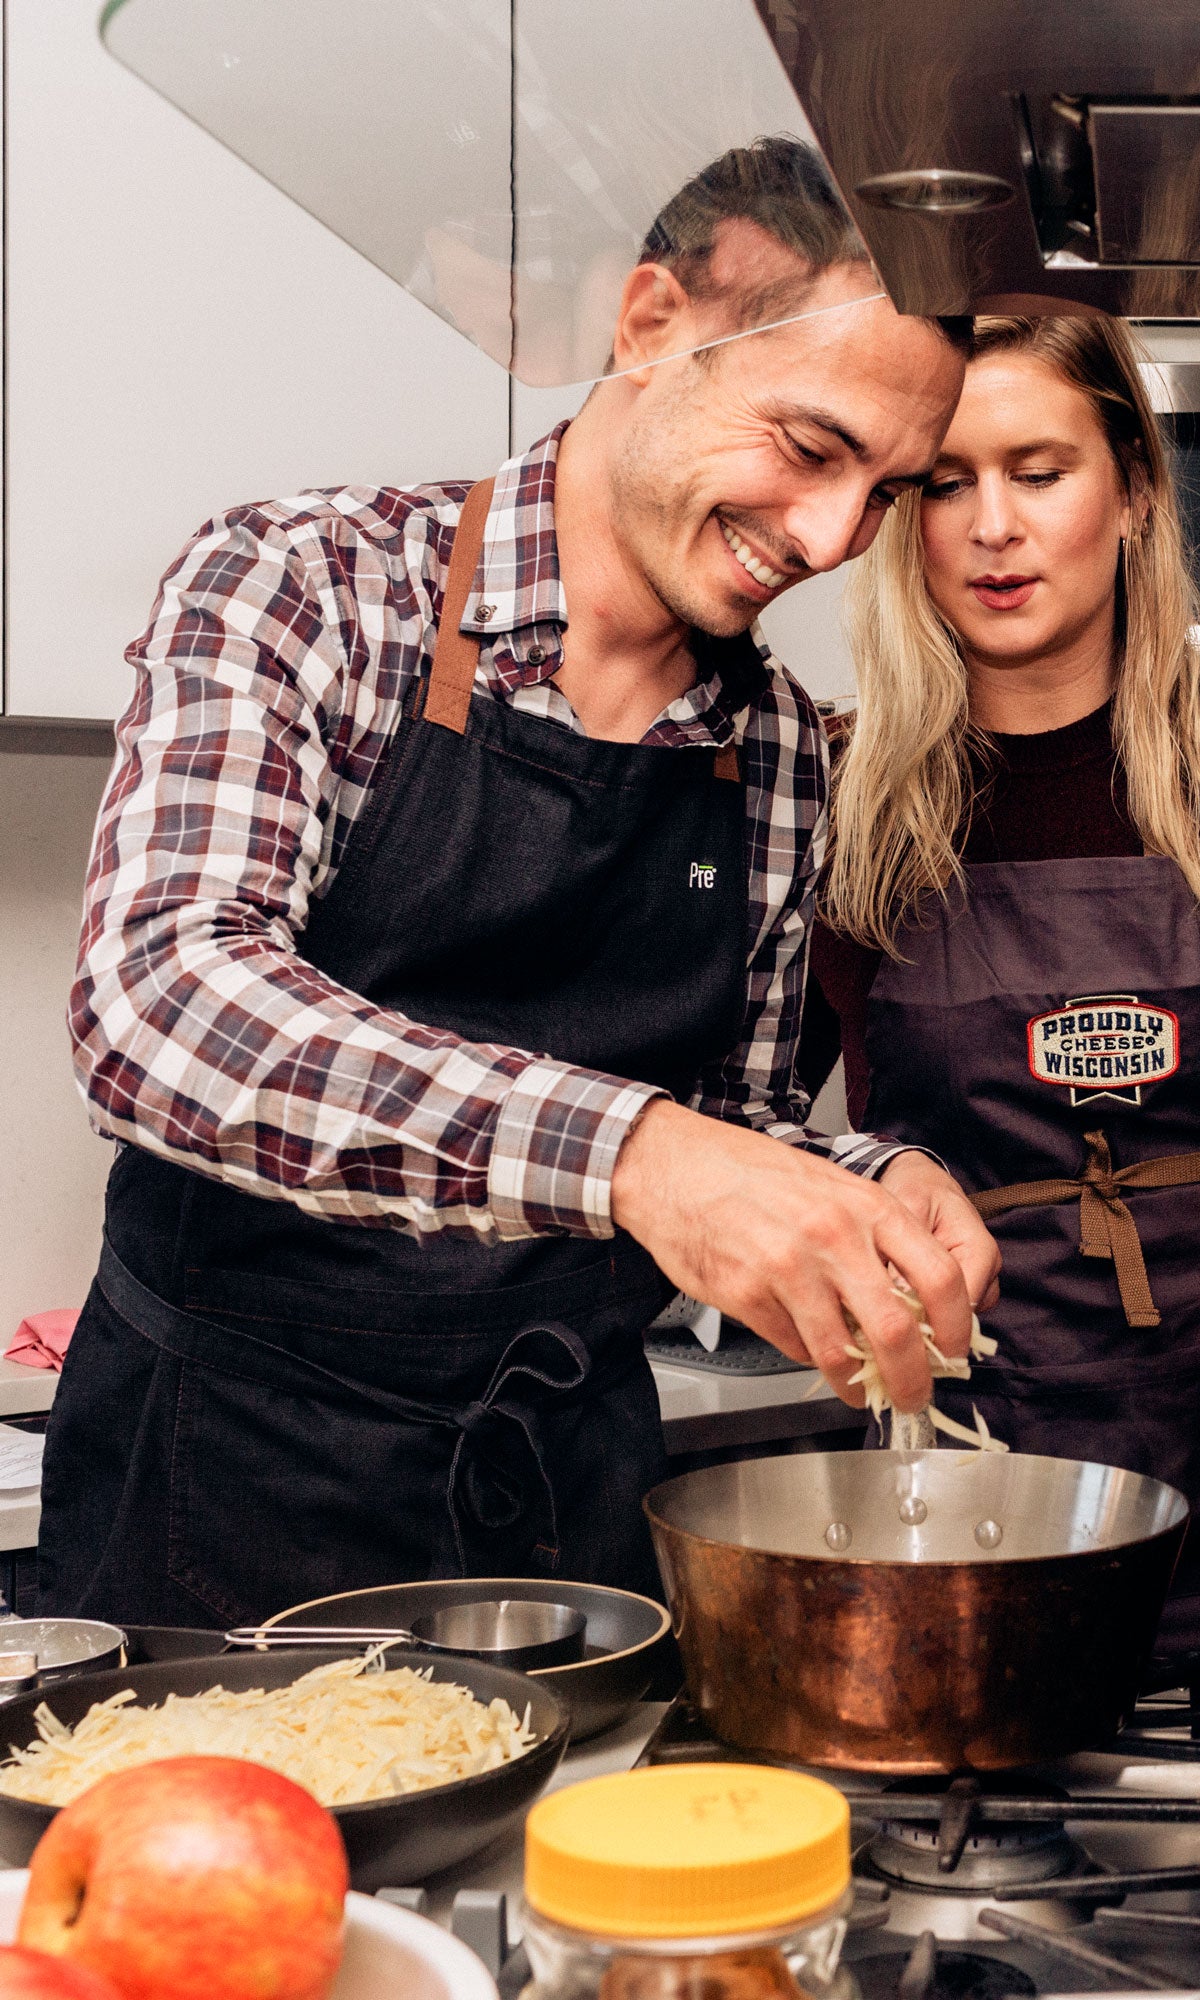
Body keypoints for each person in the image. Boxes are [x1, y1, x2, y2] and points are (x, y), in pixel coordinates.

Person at [44, 140, 1002, 1627]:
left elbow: (725, 1118)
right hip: (225, 1494)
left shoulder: (775, 754)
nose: (831, 542)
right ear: (649, 323)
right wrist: (637, 1158)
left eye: (887, 491)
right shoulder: (311, 588)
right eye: (812, 450)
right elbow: (159, 1003)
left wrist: (852, 1184)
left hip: (569, 1514)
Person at [803, 314, 1200, 1654]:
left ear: (1133, 492)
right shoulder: (837, 801)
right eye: (944, 482)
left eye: (1039, 471)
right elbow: (736, 1112)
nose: (993, 526)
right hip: (978, 1483)